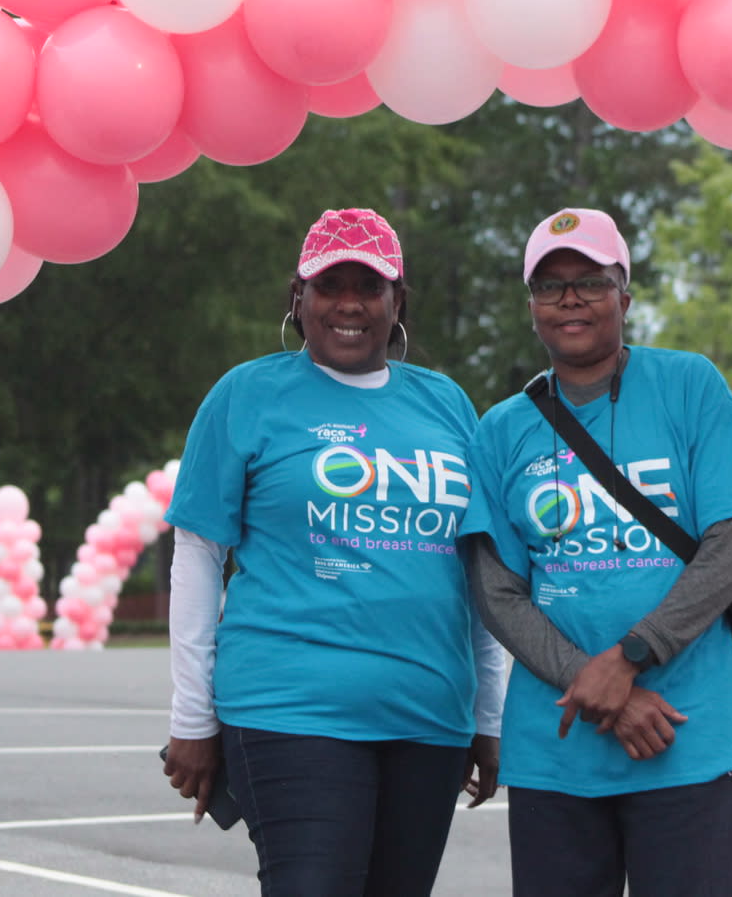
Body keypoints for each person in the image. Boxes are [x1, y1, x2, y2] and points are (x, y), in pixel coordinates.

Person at [161, 207, 507, 897]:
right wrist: (191, 719)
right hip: (290, 706)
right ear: (299, 297)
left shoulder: (447, 405)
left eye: (368, 285)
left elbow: (480, 571)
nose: (349, 301)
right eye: (329, 284)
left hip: (430, 716)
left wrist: (490, 716)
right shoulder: (247, 394)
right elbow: (198, 557)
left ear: (396, 300)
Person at [462, 206, 732, 897]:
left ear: (624, 296)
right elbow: (497, 590)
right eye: (550, 285)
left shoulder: (691, 386)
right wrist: (593, 681)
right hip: (557, 749)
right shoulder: (502, 429)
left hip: (686, 738)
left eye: (591, 281)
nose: (570, 298)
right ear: (532, 306)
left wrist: (633, 655)